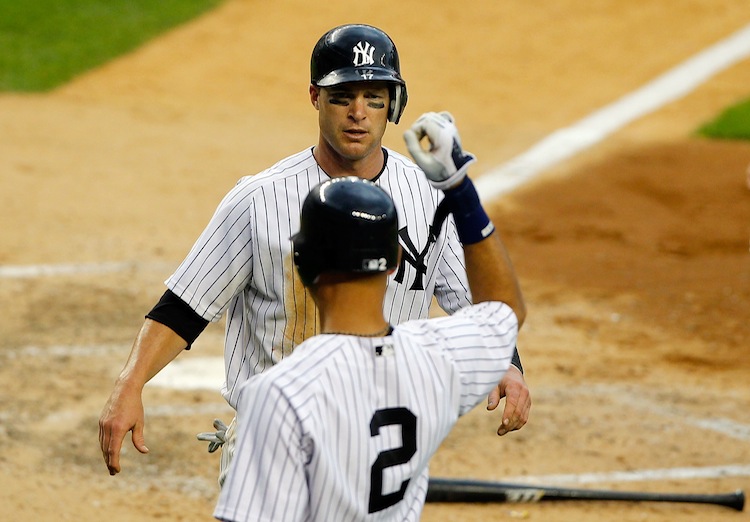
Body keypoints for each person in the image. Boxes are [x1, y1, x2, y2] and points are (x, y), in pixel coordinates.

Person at [98, 24, 530, 483]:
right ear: (315, 97)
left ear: (393, 105)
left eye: (374, 98)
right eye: (343, 96)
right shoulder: (259, 199)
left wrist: (509, 365)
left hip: (380, 438)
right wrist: (130, 383)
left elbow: (477, 304)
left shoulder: (426, 194)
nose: (358, 114)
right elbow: (185, 306)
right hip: (275, 441)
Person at [214, 112, 526, 520]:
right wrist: (458, 189)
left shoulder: (279, 394)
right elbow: (504, 312)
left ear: (303, 265)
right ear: (396, 261)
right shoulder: (438, 359)